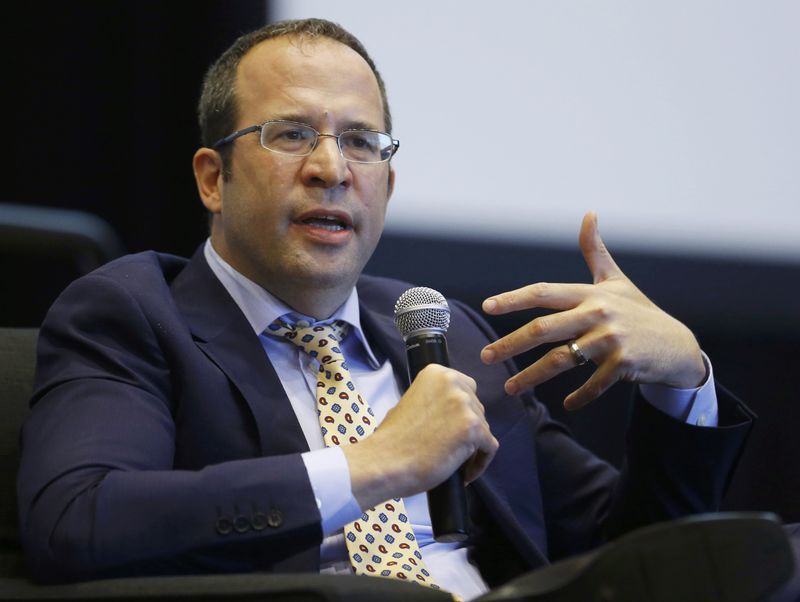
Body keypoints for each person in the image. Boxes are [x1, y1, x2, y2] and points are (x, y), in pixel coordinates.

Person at [17, 18, 756, 601]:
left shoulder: (445, 335)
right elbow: (78, 522)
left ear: (388, 189)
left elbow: (629, 558)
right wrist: (369, 468)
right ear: (214, 179)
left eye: (361, 143)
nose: (332, 168)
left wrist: (682, 383)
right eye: (292, 134)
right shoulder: (134, 314)